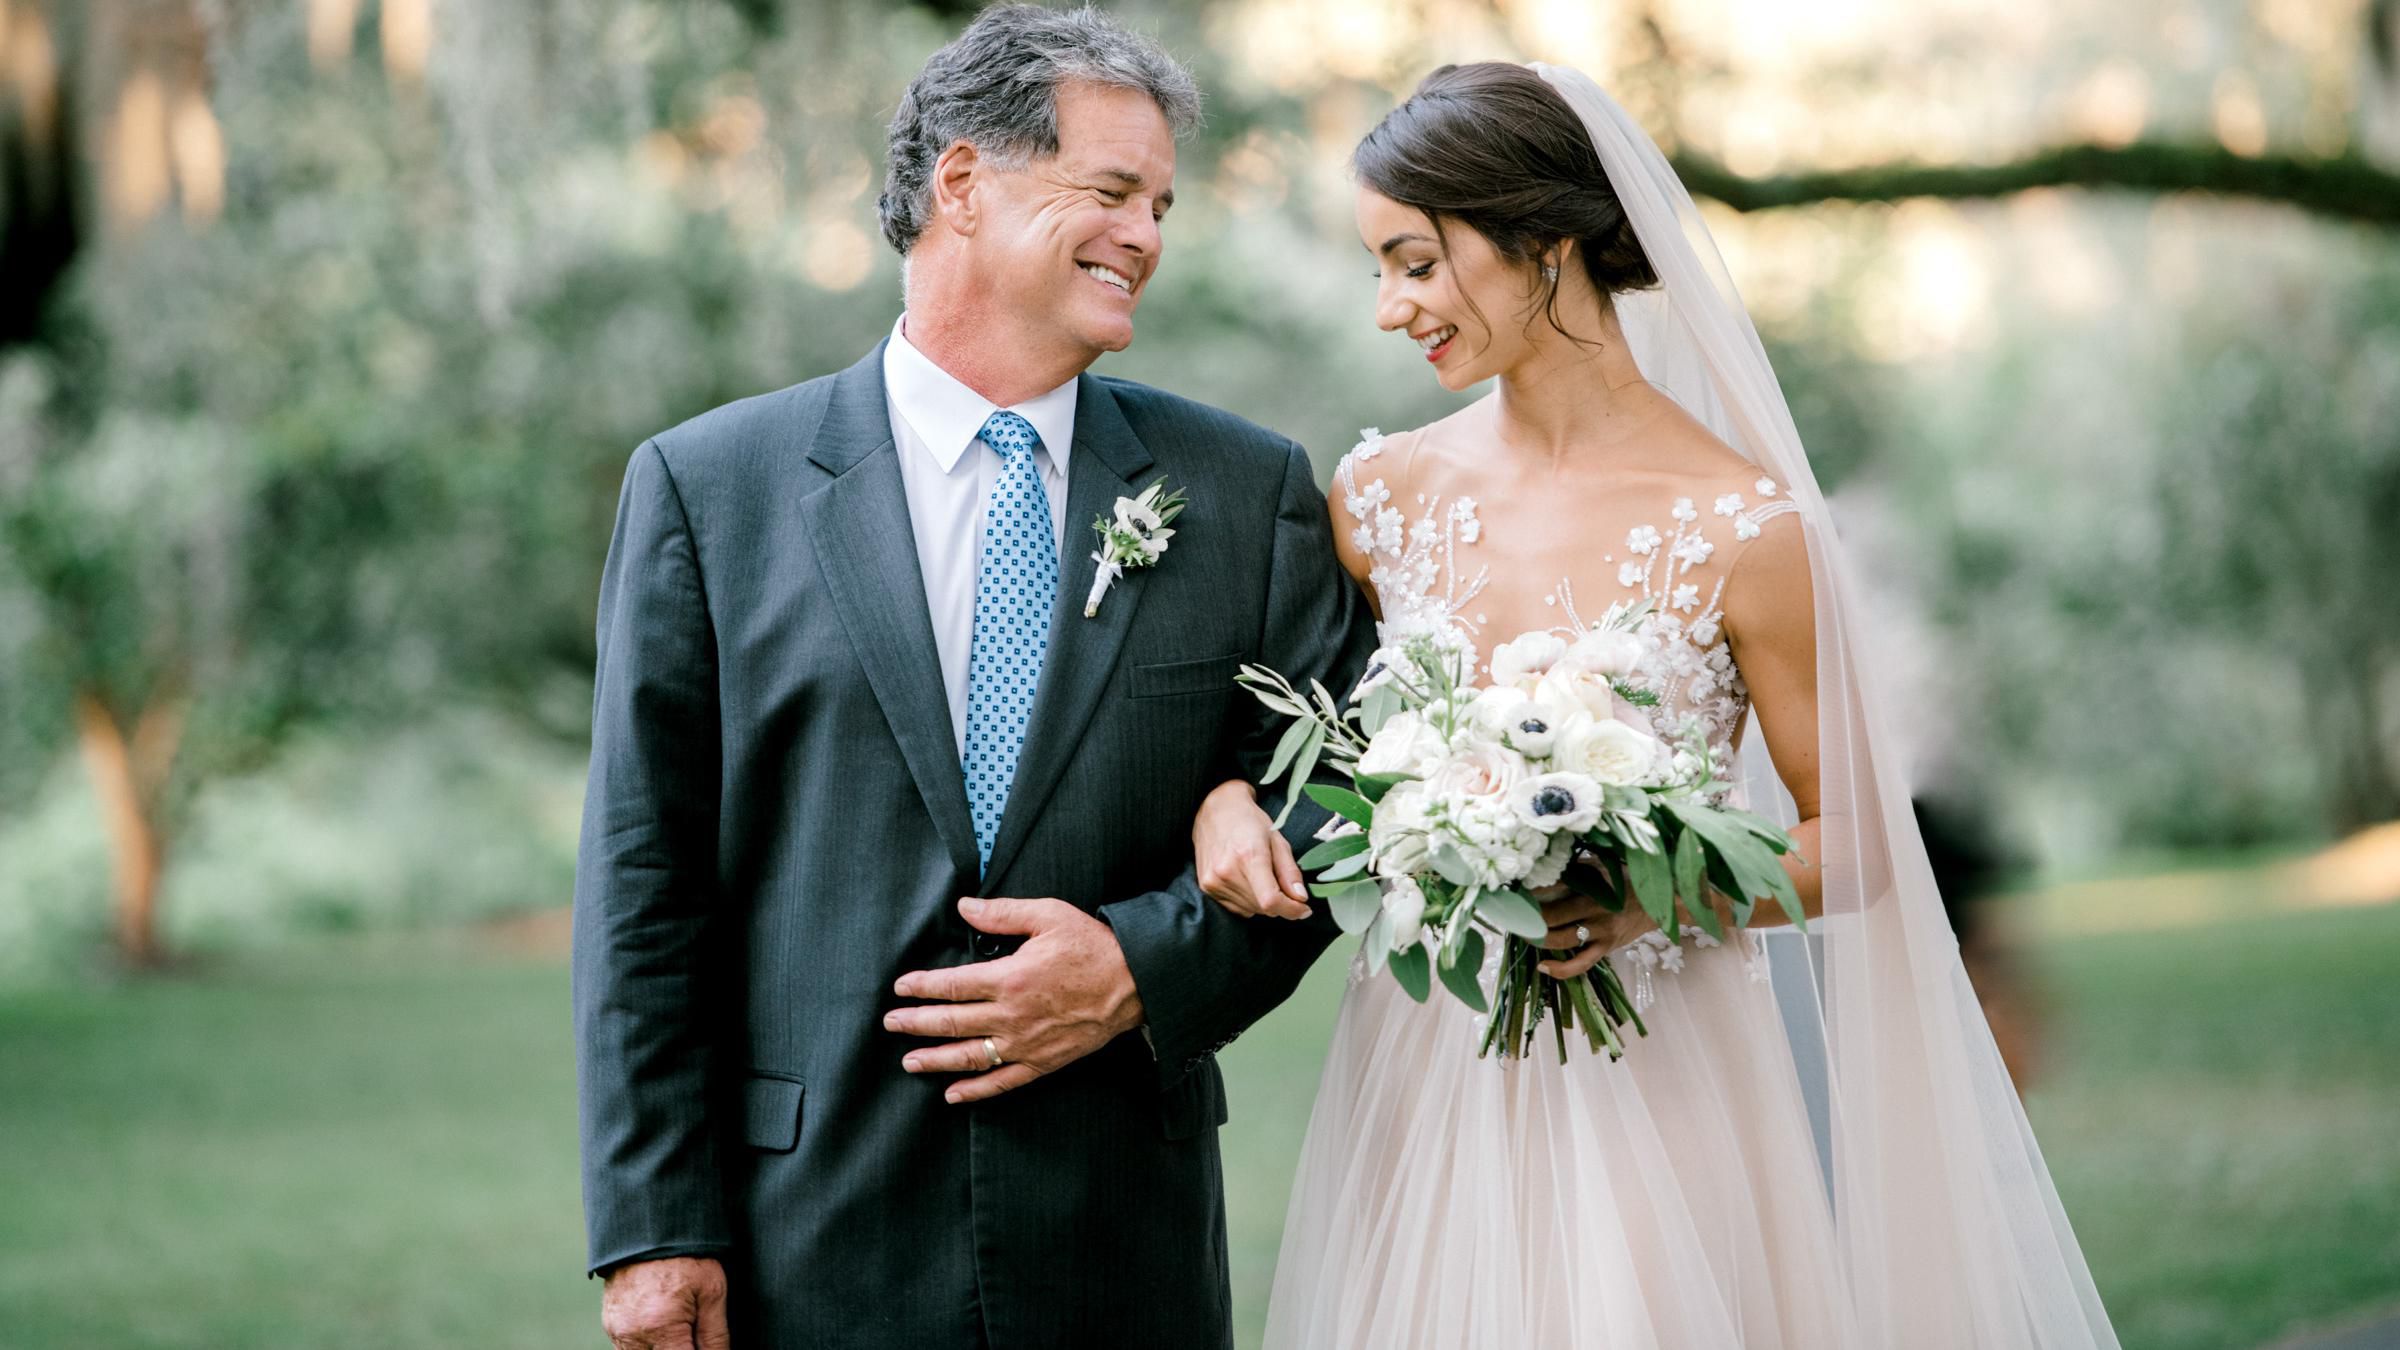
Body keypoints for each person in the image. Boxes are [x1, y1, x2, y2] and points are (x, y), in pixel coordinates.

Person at [1192, 62, 2122, 1348]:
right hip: (1427, 1066)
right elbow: (1259, 728)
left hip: (1665, 1063)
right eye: (1379, 271)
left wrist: (1655, 892)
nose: (1393, 309)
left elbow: (1851, 841)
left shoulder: (1747, 528)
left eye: (1416, 262)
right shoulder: (1381, 499)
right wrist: (1237, 794)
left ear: (1544, 240)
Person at [570, 8, 1374, 1347]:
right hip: (807, 1227)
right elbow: (644, 882)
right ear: (962, 183)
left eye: (1162, 204)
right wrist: (655, 1226)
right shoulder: (710, 490)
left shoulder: (1245, 491)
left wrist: (1141, 963)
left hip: (1122, 1234)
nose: (1149, 235)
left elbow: (1354, 791)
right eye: (1112, 190)